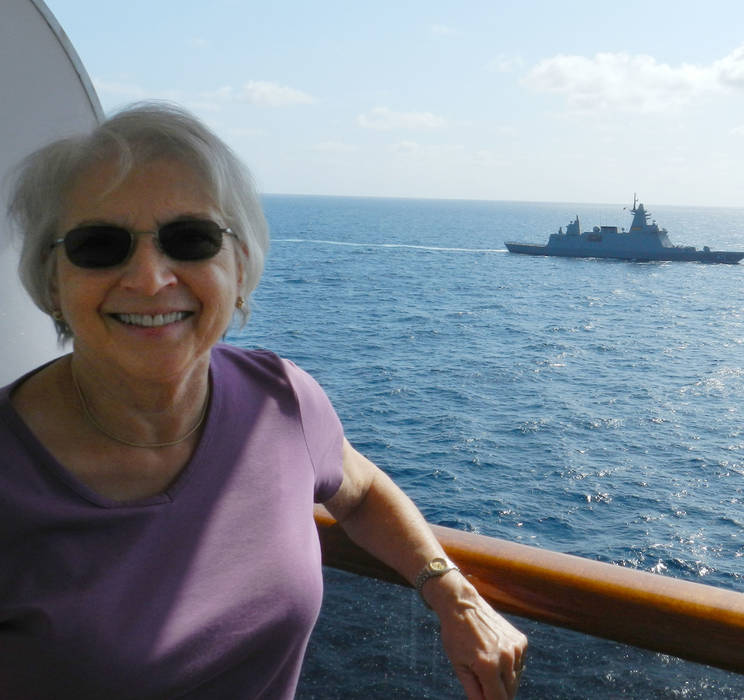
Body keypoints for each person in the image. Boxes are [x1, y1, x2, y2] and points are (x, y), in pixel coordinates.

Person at [0, 102, 527, 699]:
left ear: (240, 263)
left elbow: (362, 493)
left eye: (190, 239)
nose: (149, 278)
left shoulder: (279, 399)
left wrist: (452, 594)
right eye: (100, 246)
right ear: (51, 279)